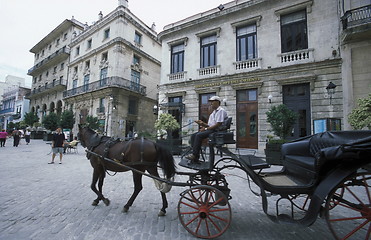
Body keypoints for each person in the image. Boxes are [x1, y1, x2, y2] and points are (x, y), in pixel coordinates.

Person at [186, 96, 228, 163]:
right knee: (194, 135)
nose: (211, 104)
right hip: (212, 130)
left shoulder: (221, 111)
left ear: (218, 102)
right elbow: (210, 125)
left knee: (199, 135)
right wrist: (202, 124)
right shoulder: (213, 113)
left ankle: (194, 155)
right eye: (210, 102)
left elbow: (218, 124)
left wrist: (205, 128)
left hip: (217, 130)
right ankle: (195, 157)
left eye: (212, 102)